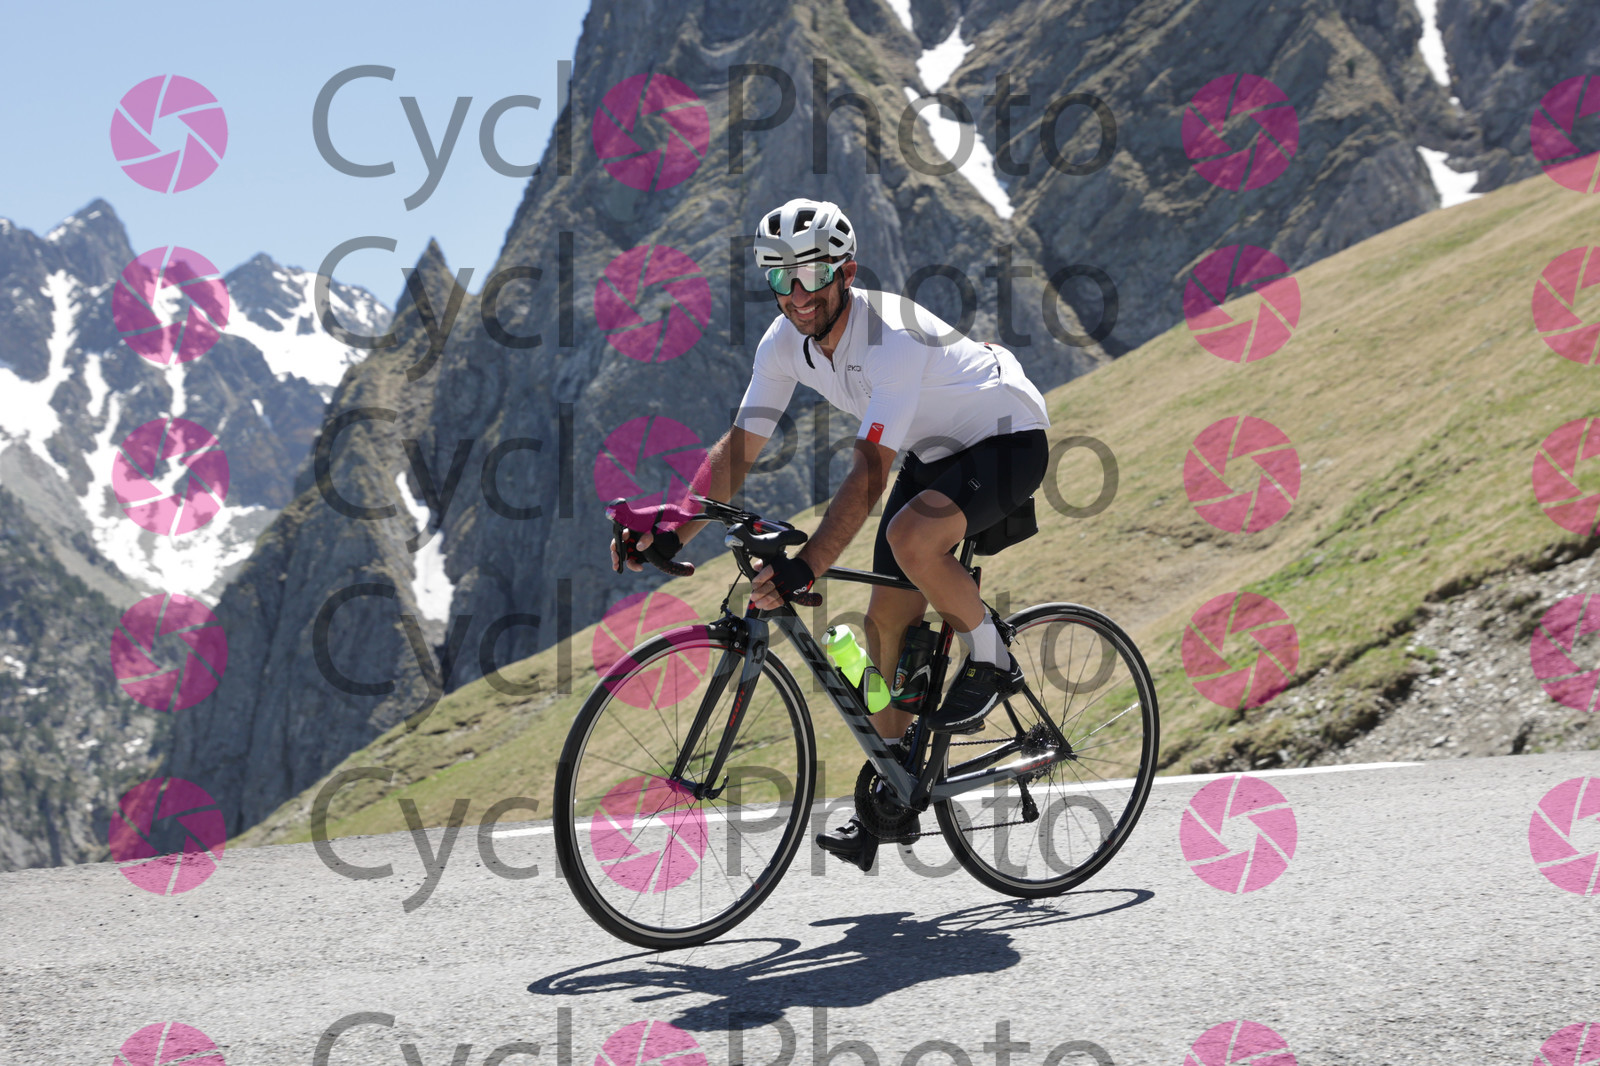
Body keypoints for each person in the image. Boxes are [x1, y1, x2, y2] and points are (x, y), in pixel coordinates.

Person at [610, 198, 1052, 871]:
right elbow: (741, 446)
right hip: (933, 453)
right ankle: (893, 795)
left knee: (911, 539)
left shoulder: (891, 336)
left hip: (1006, 436)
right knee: (884, 627)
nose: (796, 294)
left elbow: (871, 469)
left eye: (811, 274)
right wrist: (673, 531)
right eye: (778, 277)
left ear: (846, 271)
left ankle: (992, 658)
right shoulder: (782, 343)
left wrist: (807, 566)